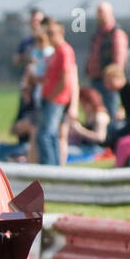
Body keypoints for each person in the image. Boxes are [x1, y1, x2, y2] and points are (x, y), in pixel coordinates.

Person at [36, 18, 77, 166]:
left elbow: (66, 78)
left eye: (52, 33)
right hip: (51, 97)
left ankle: (49, 166)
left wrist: (52, 97)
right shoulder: (56, 52)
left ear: (61, 33)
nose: (49, 36)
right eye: (48, 33)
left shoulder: (65, 51)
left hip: (56, 99)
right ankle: (54, 166)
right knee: (51, 135)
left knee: (45, 135)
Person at [86, 2, 129, 119]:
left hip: (108, 82)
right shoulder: (98, 34)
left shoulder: (116, 34)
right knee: (99, 112)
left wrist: (113, 79)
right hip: (97, 79)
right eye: (99, 13)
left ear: (111, 14)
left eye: (103, 13)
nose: (100, 16)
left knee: (111, 111)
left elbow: (119, 59)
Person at [12, 8, 46, 73]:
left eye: (39, 21)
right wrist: (28, 58)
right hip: (29, 79)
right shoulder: (26, 41)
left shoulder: (50, 40)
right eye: (33, 20)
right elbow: (16, 60)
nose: (36, 23)